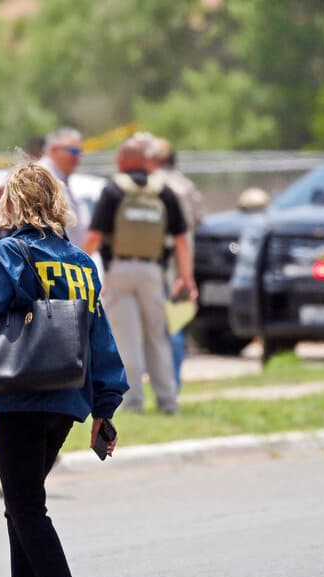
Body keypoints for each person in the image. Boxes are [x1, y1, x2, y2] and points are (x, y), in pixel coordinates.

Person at [0, 162, 128, 577]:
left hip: (20, 394)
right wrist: (104, 406)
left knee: (26, 505)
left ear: (14, 203)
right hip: (67, 399)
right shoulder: (80, 261)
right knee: (21, 503)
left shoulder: (10, 251)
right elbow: (100, 335)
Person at [82, 136, 198, 414]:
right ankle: (168, 400)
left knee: (126, 338)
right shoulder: (164, 192)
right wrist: (186, 277)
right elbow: (181, 240)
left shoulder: (114, 190)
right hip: (153, 272)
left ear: (123, 160)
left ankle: (133, 402)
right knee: (157, 337)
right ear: (148, 161)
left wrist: (79, 267)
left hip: (120, 271)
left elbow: (95, 235)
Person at [150, 137, 205, 388]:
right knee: (176, 325)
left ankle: (162, 385)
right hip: (184, 265)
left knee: (155, 329)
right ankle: (174, 385)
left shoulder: (155, 186)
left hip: (160, 263)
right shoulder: (187, 186)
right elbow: (198, 221)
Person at [38, 127, 91, 249]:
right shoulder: (42, 176)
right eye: (73, 151)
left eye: (79, 152)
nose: (77, 157)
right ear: (54, 149)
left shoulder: (62, 178)